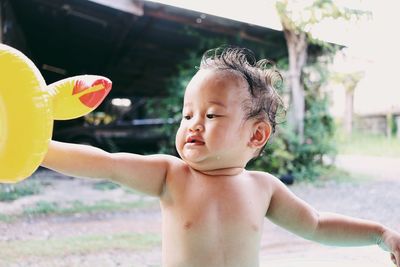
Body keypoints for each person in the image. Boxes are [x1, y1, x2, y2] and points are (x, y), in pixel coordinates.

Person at [42, 46, 400, 267]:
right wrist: (38, 149)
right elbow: (105, 163)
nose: (194, 124)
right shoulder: (171, 175)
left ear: (256, 134)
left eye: (211, 115)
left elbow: (318, 225)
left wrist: (380, 234)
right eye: (187, 115)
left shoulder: (264, 188)